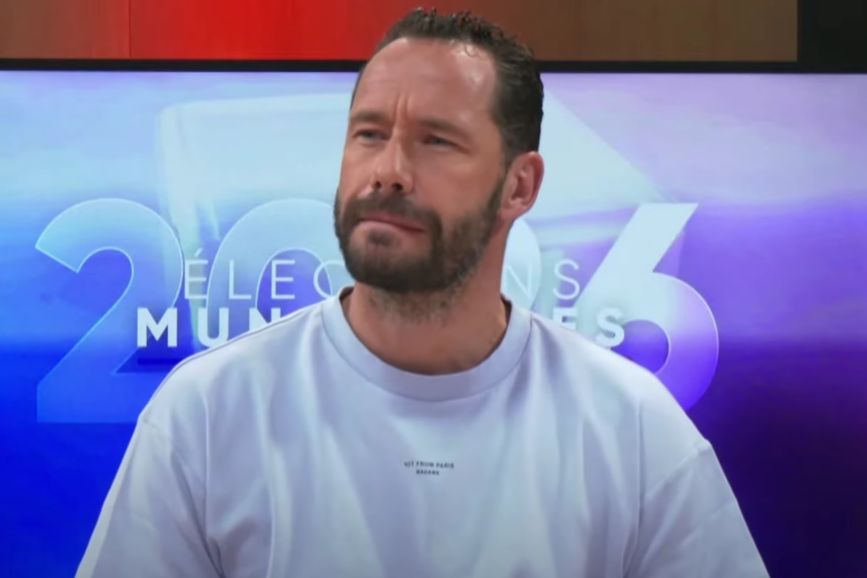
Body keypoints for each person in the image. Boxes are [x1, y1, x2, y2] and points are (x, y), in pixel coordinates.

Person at [77, 9, 768, 578]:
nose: (389, 171)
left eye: (436, 141)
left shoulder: (633, 429)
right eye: (369, 134)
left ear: (519, 186)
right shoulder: (206, 413)